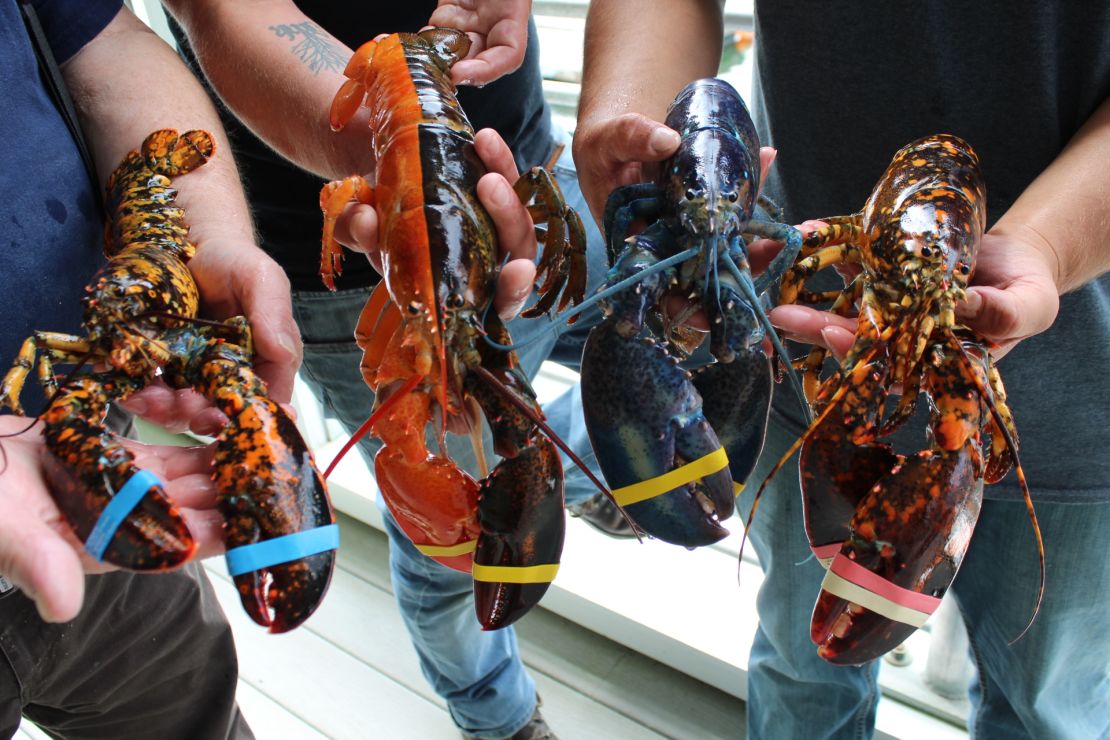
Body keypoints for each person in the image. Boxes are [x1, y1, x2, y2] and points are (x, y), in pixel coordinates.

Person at [572, 1, 1110, 738]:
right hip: (805, 361)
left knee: (1049, 709)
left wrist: (1047, 247)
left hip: (1087, 393)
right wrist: (629, 122)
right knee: (805, 668)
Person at [161, 2, 623, 738]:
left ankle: (591, 468)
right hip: (357, 278)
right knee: (446, 559)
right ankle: (495, 714)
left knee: (630, 351)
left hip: (529, 172)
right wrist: (374, 155)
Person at [0, 0, 308, 735]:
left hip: (103, 487)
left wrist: (215, 236)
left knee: (196, 707)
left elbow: (103, 43)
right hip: (61, 463)